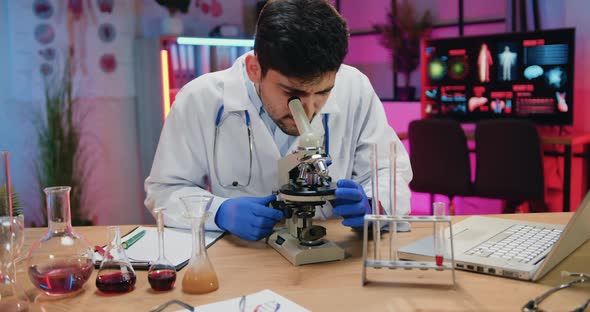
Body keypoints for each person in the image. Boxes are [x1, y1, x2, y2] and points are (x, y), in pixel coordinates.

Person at [145, 0, 413, 241]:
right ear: (254, 69)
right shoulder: (199, 99)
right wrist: (218, 211)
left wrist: (372, 203)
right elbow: (164, 191)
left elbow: (389, 172)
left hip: (330, 258)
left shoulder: (355, 88)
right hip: (242, 260)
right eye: (292, 93)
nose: (308, 110)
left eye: (322, 92)